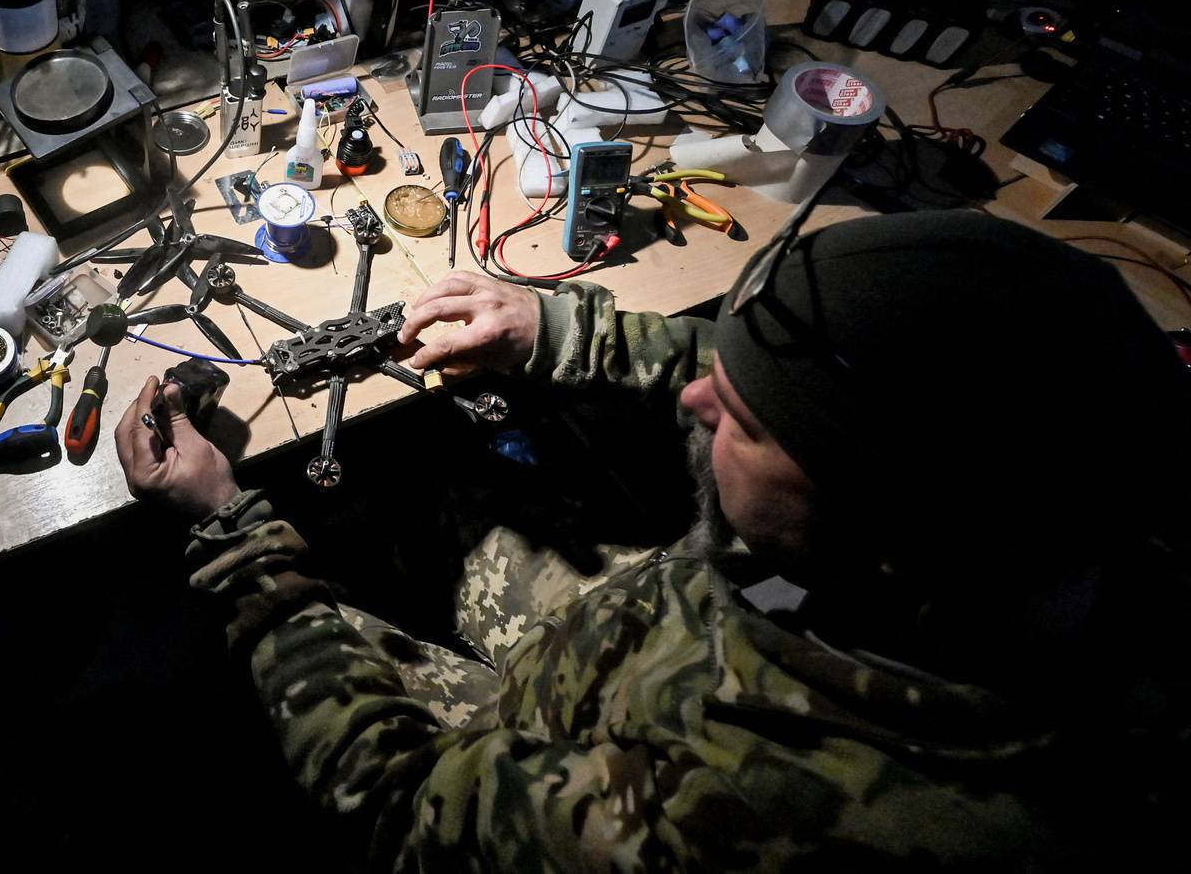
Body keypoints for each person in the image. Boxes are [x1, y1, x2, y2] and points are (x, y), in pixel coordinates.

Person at [113, 208, 1187, 869]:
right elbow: (782, 372)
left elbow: (399, 802)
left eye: (746, 419)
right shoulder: (1043, 503)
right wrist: (561, 328)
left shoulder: (749, 818)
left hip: (553, 767)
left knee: (289, 630)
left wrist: (227, 527)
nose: (695, 395)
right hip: (627, 630)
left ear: (883, 538)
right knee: (456, 507)